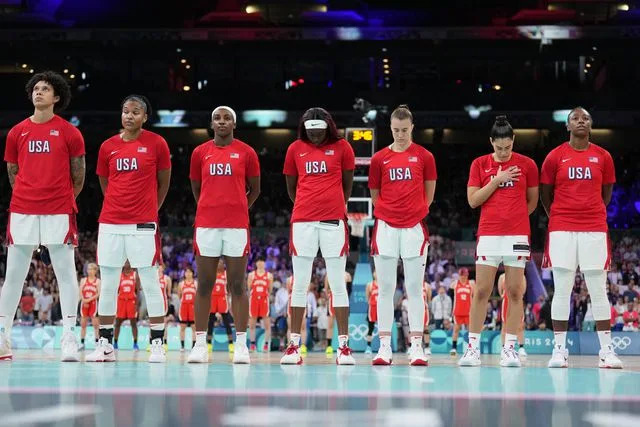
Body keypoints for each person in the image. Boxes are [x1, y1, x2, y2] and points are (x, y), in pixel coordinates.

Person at [0, 71, 85, 361]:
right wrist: (28, 196)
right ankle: (3, 338)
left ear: (56, 97)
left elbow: (79, 175)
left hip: (58, 209)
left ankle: (70, 336)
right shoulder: (16, 132)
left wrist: (59, 198)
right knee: (13, 276)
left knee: (66, 274)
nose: (39, 92)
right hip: (23, 210)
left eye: (45, 89)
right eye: (36, 88)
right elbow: (13, 172)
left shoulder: (69, 132)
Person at [86, 95, 171, 363]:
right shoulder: (107, 146)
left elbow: (164, 182)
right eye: (125, 111)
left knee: (150, 282)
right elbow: (103, 181)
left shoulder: (157, 143)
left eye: (135, 112)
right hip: (110, 222)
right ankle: (105, 345)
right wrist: (117, 205)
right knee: (108, 283)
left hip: (143, 223)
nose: (129, 116)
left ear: (145, 117)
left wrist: (150, 209)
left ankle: (157, 343)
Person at [541, 107, 622, 369]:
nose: (580, 121)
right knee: (562, 290)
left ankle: (607, 350)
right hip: (562, 228)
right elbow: (545, 195)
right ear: (567, 126)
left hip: (594, 228)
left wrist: (590, 213)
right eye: (575, 118)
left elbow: (606, 194)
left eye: (585, 118)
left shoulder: (603, 156)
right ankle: (559, 349)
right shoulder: (555, 157)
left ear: (591, 125)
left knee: (598, 290)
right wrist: (560, 216)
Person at [459, 115, 538, 368]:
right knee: (481, 291)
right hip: (488, 235)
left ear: (513, 140)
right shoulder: (479, 164)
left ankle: (510, 349)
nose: (504, 152)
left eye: (508, 147)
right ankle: (472, 349)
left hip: (516, 235)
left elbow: (532, 202)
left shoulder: (527, 165)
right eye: (499, 147)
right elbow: (473, 201)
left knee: (515, 292)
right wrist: (496, 180)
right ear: (491, 142)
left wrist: (511, 219)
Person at [281, 107, 356, 365]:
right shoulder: (294, 149)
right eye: (310, 132)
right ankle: (293, 346)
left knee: (337, 284)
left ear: (328, 128)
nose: (314, 136)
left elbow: (347, 184)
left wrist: (333, 205)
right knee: (299, 284)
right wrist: (307, 206)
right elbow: (292, 187)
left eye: (319, 132)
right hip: (303, 222)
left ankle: (343, 348)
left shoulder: (343, 148)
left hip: (333, 222)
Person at [187, 106, 260, 364]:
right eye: (217, 117)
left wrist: (237, 207)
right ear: (211, 123)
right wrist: (210, 207)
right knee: (204, 285)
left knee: (237, 286)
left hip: (237, 226)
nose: (221, 121)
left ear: (234, 124)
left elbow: (255, 189)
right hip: (207, 225)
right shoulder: (200, 153)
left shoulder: (247, 152)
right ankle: (199, 344)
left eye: (227, 117)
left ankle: (241, 344)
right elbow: (197, 187)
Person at [369, 105, 437, 366]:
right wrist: (387, 212)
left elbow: (429, 192)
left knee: (414, 289)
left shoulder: (425, 156)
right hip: (386, 227)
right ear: (390, 128)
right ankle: (384, 347)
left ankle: (417, 347)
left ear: (412, 128)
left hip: (414, 227)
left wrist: (419, 210)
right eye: (396, 130)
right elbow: (375, 194)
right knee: (384, 289)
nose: (400, 135)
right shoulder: (379, 159)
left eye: (405, 130)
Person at [498, 273, 527, 359]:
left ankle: (521, 348)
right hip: (506, 302)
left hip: (517, 301)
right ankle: (504, 348)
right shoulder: (502, 277)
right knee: (504, 326)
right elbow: (500, 292)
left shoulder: (521, 276)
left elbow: (523, 291)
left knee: (520, 326)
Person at [207, 260, 234, 353]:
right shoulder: (211, 273)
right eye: (217, 262)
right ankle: (209, 343)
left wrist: (228, 296)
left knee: (226, 322)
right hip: (213, 298)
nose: (219, 264)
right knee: (210, 322)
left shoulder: (226, 274)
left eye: (221, 263)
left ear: (223, 265)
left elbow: (229, 287)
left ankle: (231, 343)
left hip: (223, 298)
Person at [323, 270, 351, 355]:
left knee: (344, 324)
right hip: (332, 299)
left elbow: (349, 290)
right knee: (330, 324)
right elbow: (326, 289)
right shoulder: (328, 275)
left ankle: (345, 346)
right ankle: (329, 346)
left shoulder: (347, 275)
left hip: (343, 300)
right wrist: (329, 298)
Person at [248, 257, 273, 352]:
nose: (260, 263)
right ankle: (252, 345)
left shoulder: (269, 275)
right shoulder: (251, 275)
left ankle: (266, 345)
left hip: (264, 300)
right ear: (256, 263)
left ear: (264, 263)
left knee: (267, 324)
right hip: (254, 299)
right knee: (252, 324)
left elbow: (270, 290)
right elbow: (249, 288)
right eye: (258, 261)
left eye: (262, 261)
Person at [113, 262, 139, 350]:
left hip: (131, 301)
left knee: (133, 323)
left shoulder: (135, 275)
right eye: (125, 262)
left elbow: (138, 291)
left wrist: (137, 305)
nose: (126, 263)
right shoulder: (119, 275)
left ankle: (135, 343)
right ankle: (115, 343)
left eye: (128, 262)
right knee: (118, 323)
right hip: (121, 301)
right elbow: (116, 290)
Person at [450, 268, 473, 356]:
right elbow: (450, 286)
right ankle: (454, 348)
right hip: (458, 311)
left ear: (467, 275)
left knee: (470, 330)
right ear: (459, 276)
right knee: (456, 329)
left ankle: (471, 348)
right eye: (461, 275)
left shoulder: (471, 283)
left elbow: (474, 297)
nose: (463, 277)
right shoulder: (455, 284)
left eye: (465, 275)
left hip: (468, 311)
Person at [79, 263, 101, 349]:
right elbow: (80, 291)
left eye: (92, 269)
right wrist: (84, 299)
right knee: (83, 324)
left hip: (93, 304)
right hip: (84, 303)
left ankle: (96, 342)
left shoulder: (98, 281)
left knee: (96, 324)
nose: (90, 271)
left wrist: (89, 299)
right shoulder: (83, 280)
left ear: (95, 270)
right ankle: (82, 343)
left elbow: (98, 293)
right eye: (88, 269)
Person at [179, 267, 197, 352]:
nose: (188, 274)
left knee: (194, 327)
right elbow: (179, 296)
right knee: (183, 327)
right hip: (184, 307)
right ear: (184, 274)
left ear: (193, 273)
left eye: (190, 272)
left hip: (193, 307)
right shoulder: (181, 284)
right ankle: (182, 346)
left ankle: (193, 346)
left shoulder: (196, 283)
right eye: (186, 272)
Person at [364, 272, 379, 355]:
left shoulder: (383, 284)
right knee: (371, 328)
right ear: (373, 274)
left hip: (381, 309)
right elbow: (367, 297)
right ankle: (368, 347)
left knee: (383, 328)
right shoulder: (370, 285)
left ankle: (384, 346)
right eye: (375, 271)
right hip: (372, 308)